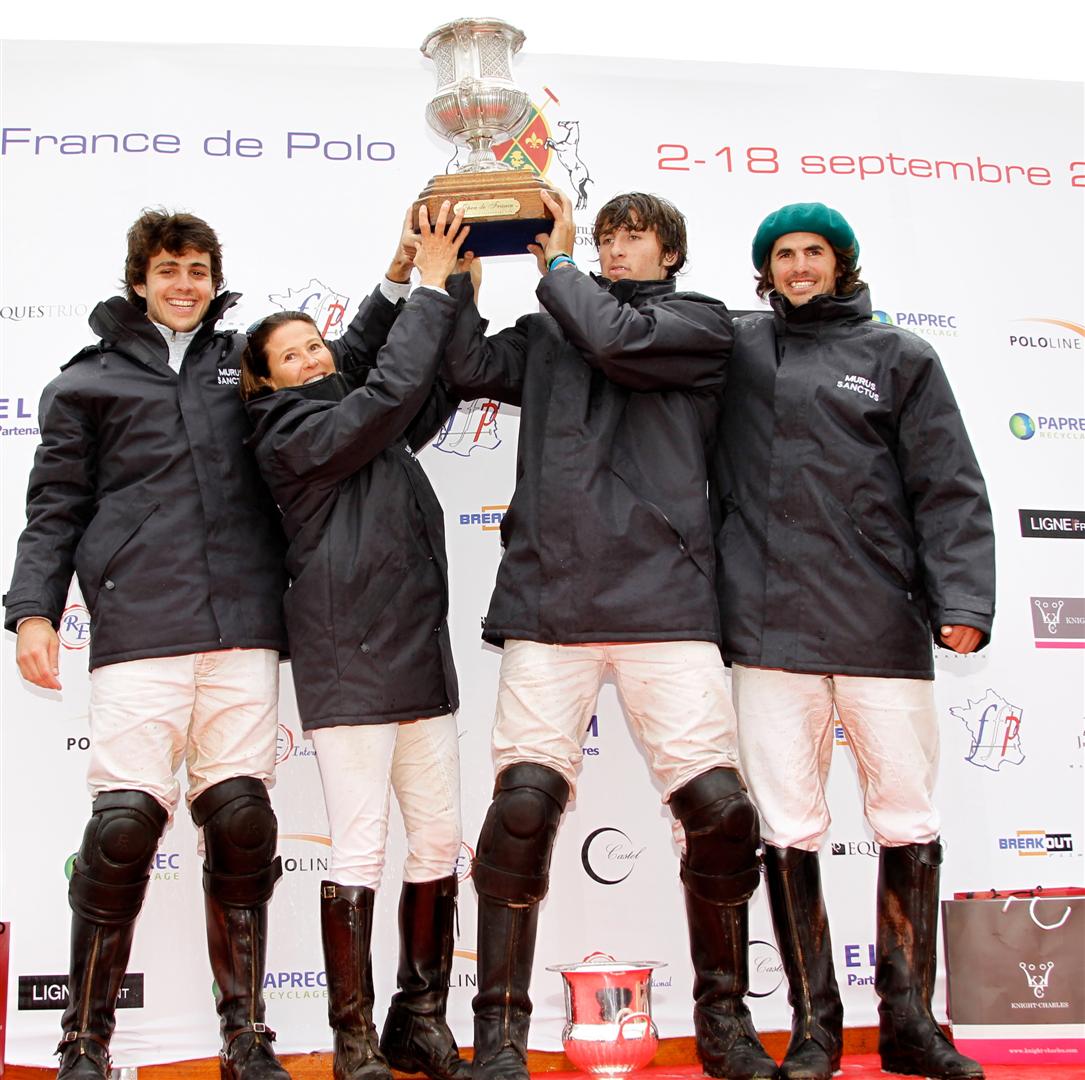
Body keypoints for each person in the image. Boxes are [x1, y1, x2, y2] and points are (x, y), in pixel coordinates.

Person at [3, 208, 414, 1080]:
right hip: (142, 627)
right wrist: (33, 610)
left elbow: (338, 366)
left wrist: (395, 278)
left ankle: (245, 1035)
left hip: (244, 626)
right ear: (139, 280)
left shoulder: (245, 365)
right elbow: (54, 509)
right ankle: (84, 1041)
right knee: (123, 829)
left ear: (214, 279)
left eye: (197, 270)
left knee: (242, 820)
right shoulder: (85, 383)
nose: (183, 284)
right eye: (167, 270)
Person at [441, 190, 775, 1080]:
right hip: (551, 597)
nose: (617, 249)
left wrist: (556, 267)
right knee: (519, 810)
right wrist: (458, 277)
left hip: (665, 600)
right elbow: (469, 365)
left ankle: (723, 1022)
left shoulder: (699, 323)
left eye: (636, 237)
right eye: (608, 237)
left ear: (671, 253)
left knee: (719, 812)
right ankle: (500, 1036)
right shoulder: (554, 322)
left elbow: (616, 340)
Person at [713, 201, 993, 1080]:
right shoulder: (733, 346)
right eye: (782, 254)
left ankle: (908, 1024)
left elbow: (948, 486)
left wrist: (962, 599)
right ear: (765, 270)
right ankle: (814, 1028)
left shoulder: (899, 355)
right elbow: (632, 343)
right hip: (765, 626)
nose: (798, 266)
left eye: (814, 252)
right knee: (787, 826)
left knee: (905, 816)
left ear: (840, 263)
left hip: (880, 617)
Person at [239, 203, 471, 1080]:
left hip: (419, 660)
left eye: (316, 345)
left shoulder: (351, 412)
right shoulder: (288, 432)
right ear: (265, 382)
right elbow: (385, 389)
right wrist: (432, 293)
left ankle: (420, 1020)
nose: (312, 358)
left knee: (439, 841)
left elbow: (368, 362)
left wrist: (403, 274)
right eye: (291, 355)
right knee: (361, 846)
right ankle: (353, 1039)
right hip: (348, 667)